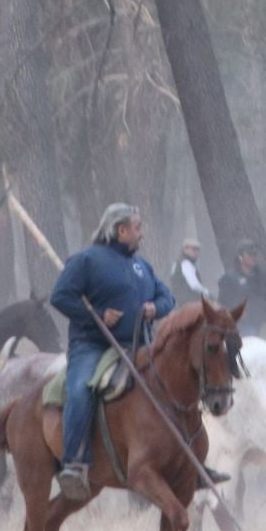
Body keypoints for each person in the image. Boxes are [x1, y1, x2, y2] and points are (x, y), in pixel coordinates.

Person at [48, 204, 175, 502]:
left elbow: (166, 296)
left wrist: (155, 308)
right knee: (80, 389)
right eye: (137, 228)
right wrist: (97, 317)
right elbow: (60, 297)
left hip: (140, 345)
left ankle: (182, 457)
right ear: (121, 231)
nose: (141, 234)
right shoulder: (85, 261)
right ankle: (75, 462)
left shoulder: (142, 266)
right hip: (92, 345)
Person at [217, 240, 266, 322]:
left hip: (261, 322)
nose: (253, 257)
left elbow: (265, 296)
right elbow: (222, 302)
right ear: (240, 257)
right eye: (249, 254)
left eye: (254, 254)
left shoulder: (260, 276)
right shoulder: (230, 278)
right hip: (240, 324)